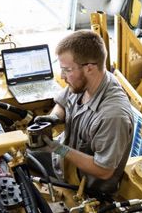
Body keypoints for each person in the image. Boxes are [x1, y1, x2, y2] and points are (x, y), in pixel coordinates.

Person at [34, 30, 134, 195]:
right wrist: (54, 118)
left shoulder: (113, 116)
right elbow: (63, 102)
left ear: (89, 68)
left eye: (67, 70)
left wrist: (60, 149)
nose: (62, 76)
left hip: (85, 188)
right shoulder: (84, 81)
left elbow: (104, 170)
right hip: (63, 163)